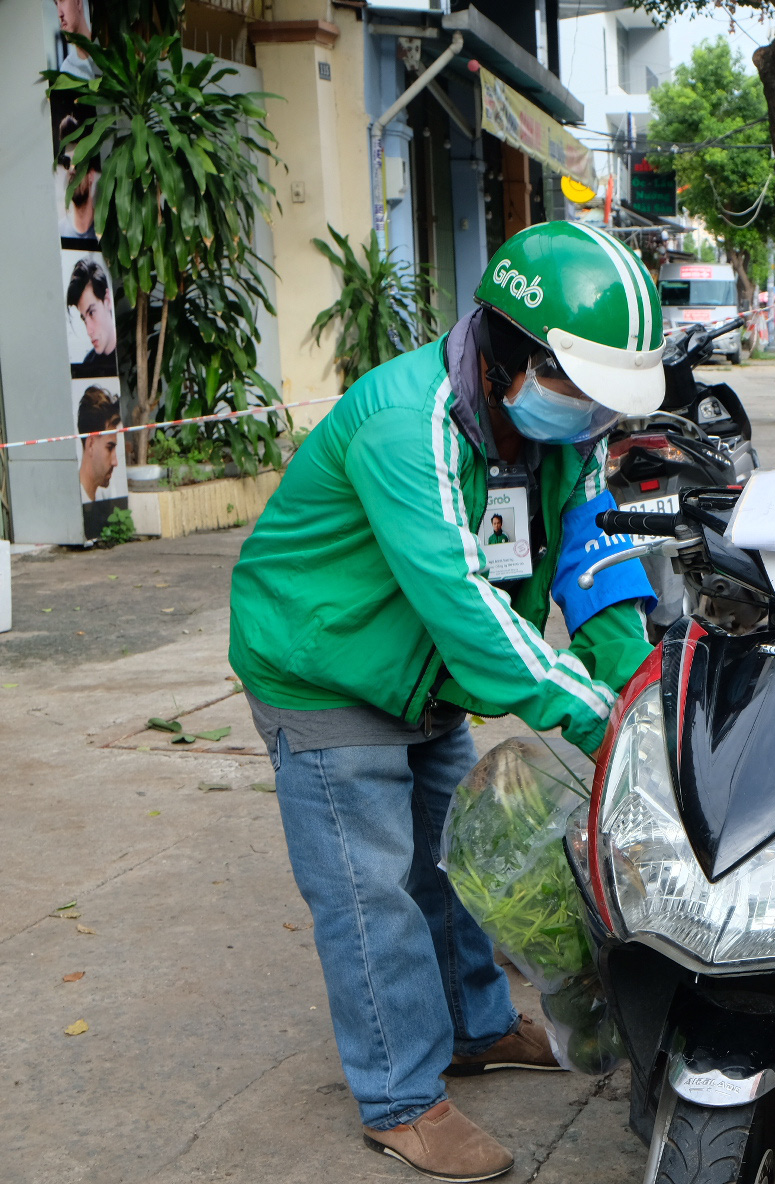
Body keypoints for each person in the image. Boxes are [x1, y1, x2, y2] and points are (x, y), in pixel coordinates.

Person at [229, 223, 666, 1183]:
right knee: (371, 889)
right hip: (325, 669)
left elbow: (598, 569)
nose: (594, 415)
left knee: (463, 860)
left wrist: (645, 695)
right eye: (582, 388)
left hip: (425, 677)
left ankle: (475, 1027)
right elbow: (467, 607)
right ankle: (401, 1096)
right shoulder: (407, 422)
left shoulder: (568, 432)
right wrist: (600, 720)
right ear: (511, 350)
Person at [67, 257, 116, 377]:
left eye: (92, 313)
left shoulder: (128, 352)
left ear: (108, 301)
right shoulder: (88, 363)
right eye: (84, 319)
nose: (89, 331)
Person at [75, 385, 120, 502]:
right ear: (91, 444)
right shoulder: (72, 501)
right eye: (109, 448)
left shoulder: (104, 498)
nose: (115, 462)